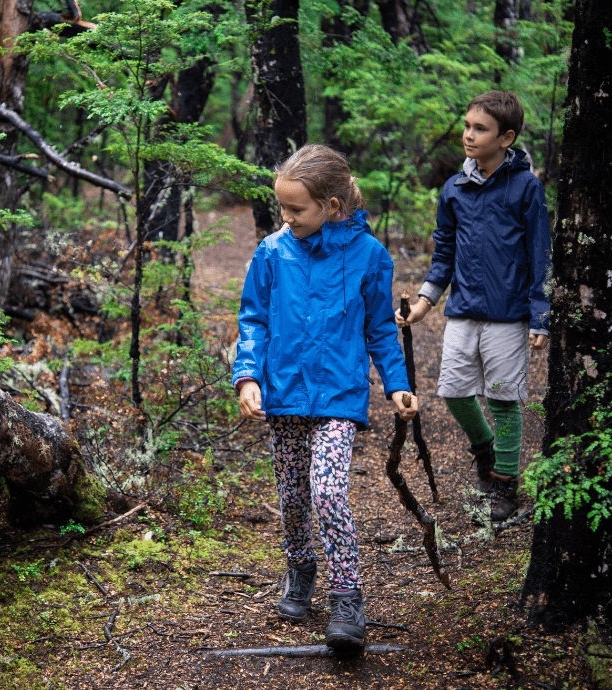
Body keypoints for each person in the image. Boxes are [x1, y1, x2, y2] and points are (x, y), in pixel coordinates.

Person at [232, 144, 418, 651]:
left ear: (332, 206)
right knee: (293, 497)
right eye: (282, 207)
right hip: (284, 395)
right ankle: (300, 567)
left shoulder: (370, 257)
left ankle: (347, 597)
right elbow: (253, 320)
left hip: (339, 395)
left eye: (296, 209)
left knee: (328, 491)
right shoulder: (272, 252)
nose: (286, 218)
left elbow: (380, 329)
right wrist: (247, 377)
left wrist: (398, 384)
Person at [396, 90, 551, 523]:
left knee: (502, 398)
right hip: (463, 309)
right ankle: (485, 452)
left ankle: (505, 483)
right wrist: (425, 302)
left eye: (480, 129)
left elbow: (540, 253)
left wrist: (540, 314)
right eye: (467, 126)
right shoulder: (455, 188)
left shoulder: (525, 187)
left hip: (508, 314)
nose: (468, 135)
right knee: (454, 391)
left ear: (506, 138)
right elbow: (444, 252)